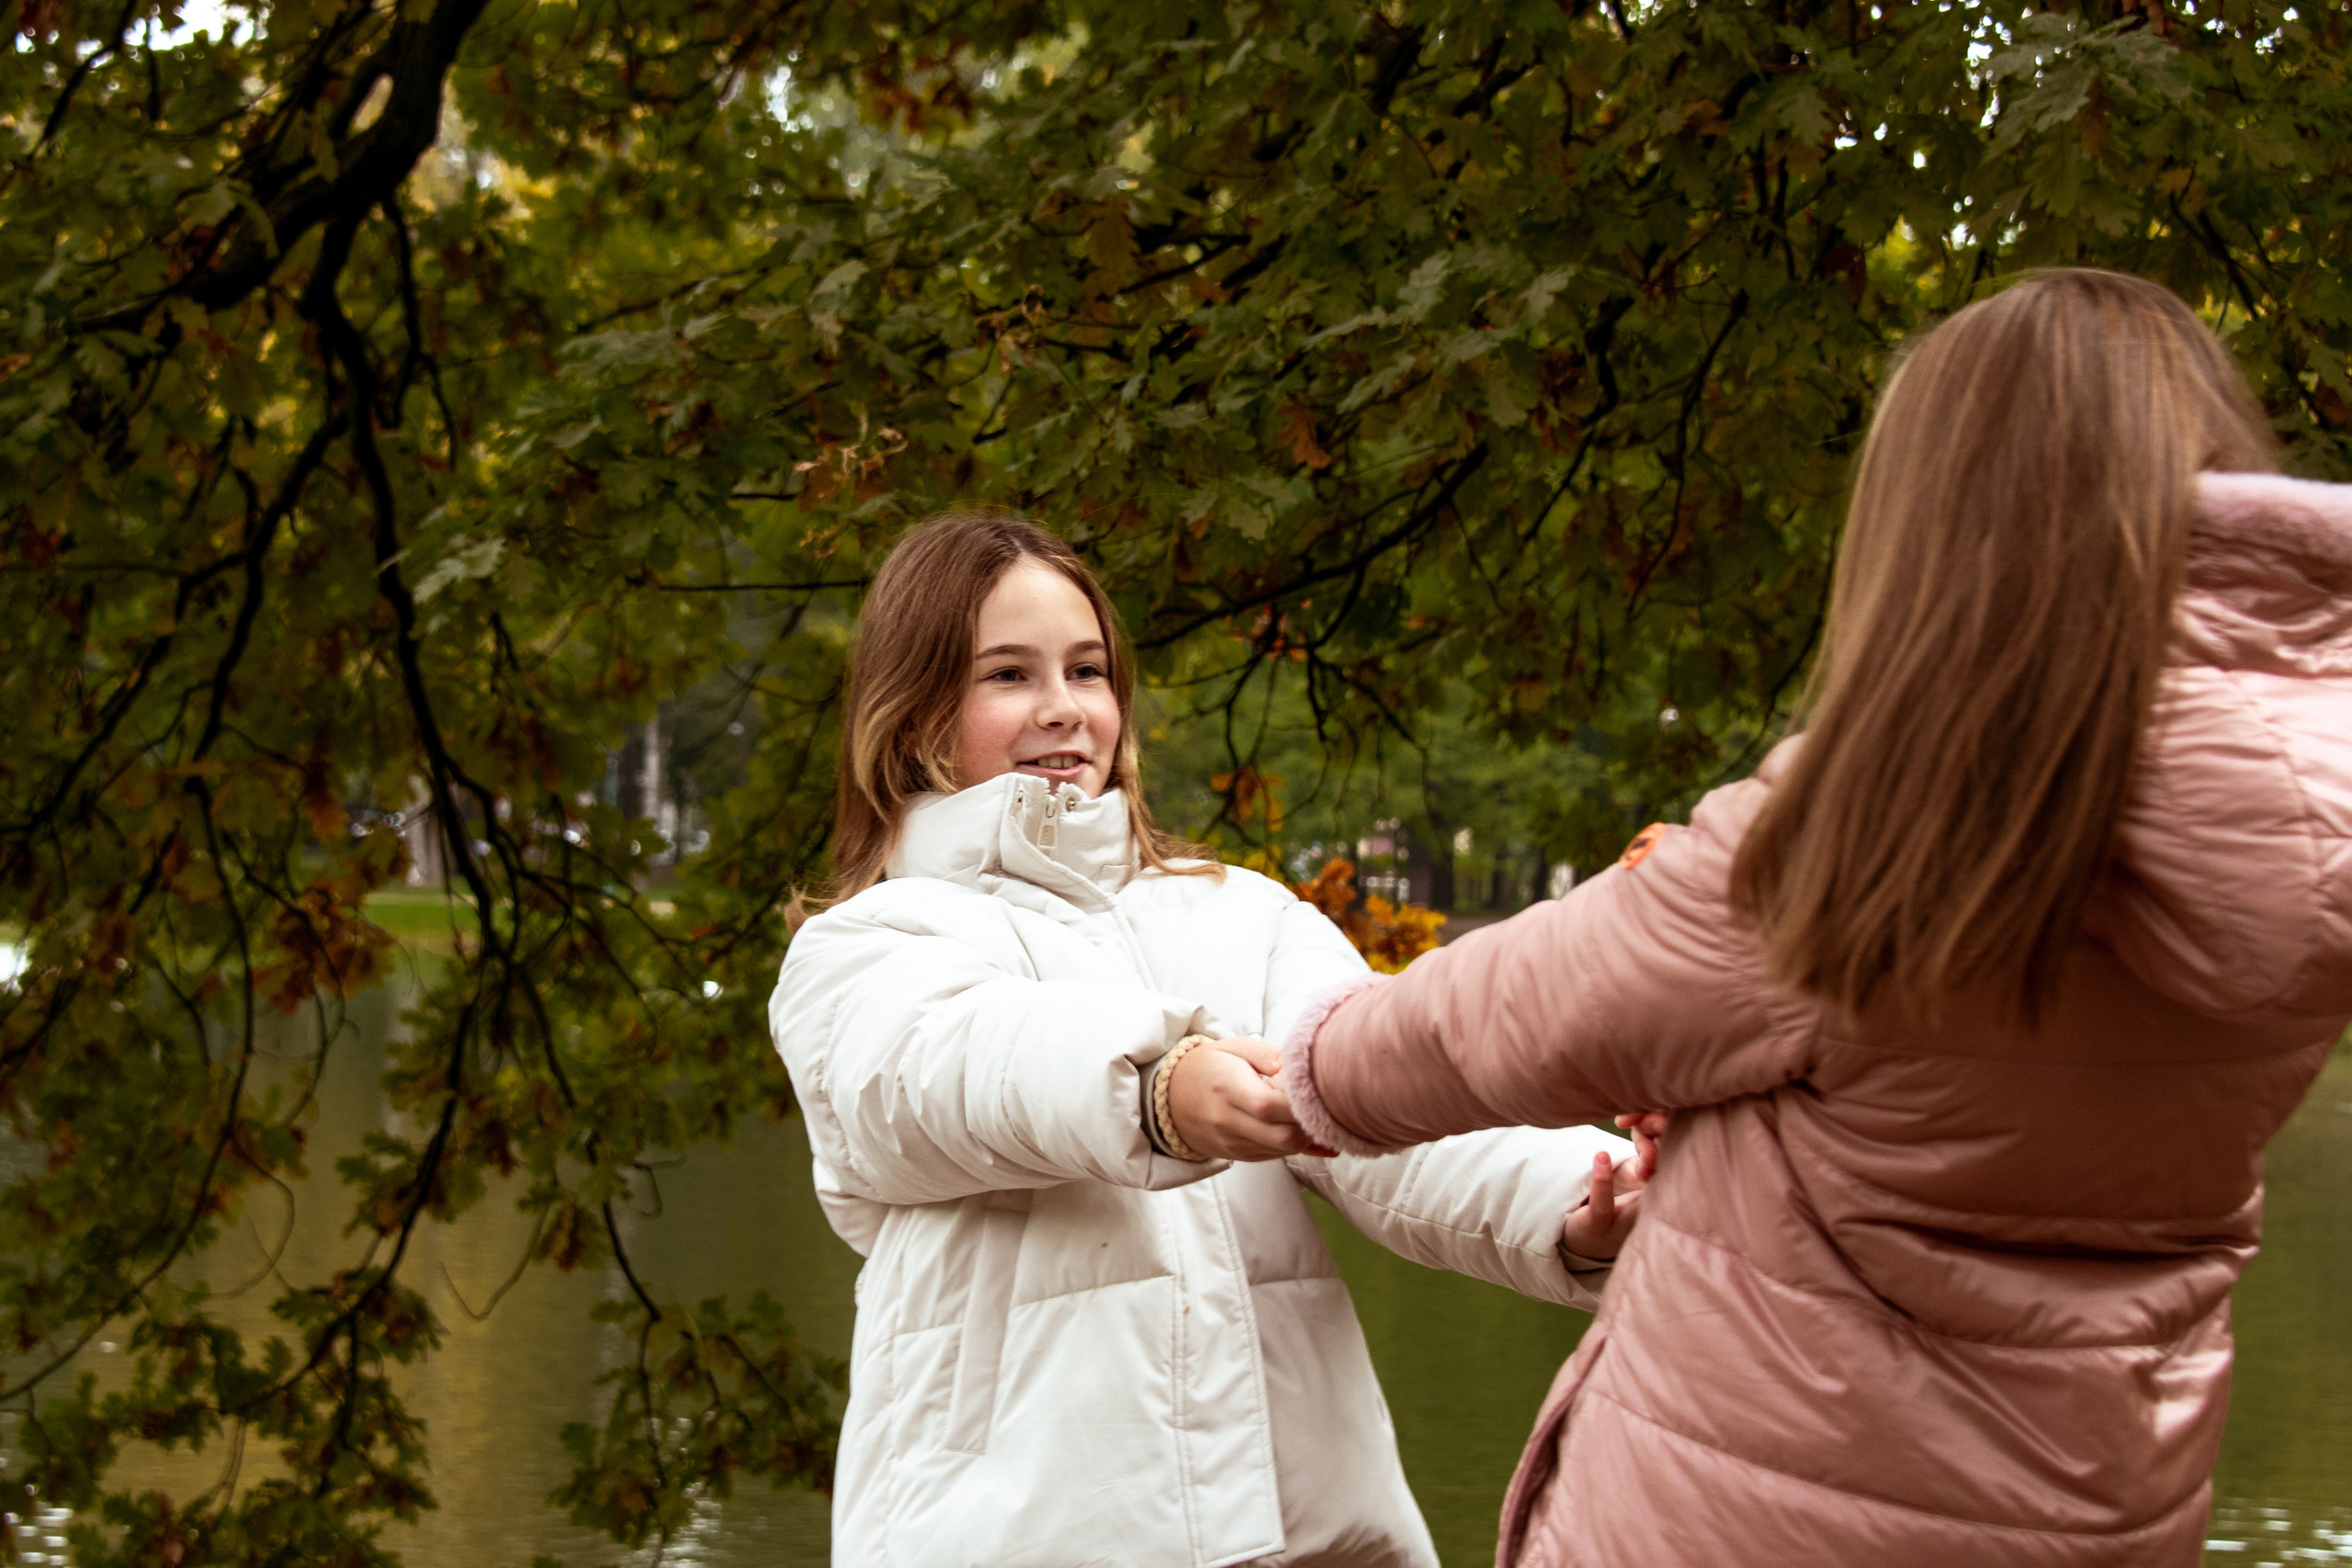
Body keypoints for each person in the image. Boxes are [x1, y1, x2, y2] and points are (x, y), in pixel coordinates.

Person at [1275, 269, 2352, 1567]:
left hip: (1758, 1511)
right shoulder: (2306, 843)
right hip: (2099, 1505)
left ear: (1938, 526)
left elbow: (1492, 1023)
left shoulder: (1873, 831)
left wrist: (1311, 1063)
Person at [766, 512, 1652, 1568]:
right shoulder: (868, 946)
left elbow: (1397, 1106)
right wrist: (1155, 1087)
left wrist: (1586, 1196)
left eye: (1087, 671)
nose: (1064, 709)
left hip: (1313, 1536)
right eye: (1008, 675)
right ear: (912, 718)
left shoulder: (1239, 917)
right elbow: (956, 1067)